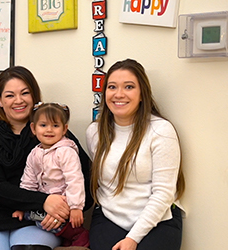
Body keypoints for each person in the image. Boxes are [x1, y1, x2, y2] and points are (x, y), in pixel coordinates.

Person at [0, 66, 93, 250]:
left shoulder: (55, 135)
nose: (18, 100)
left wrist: (62, 210)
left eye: (25, 93)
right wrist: (44, 201)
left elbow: (86, 178)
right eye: (10, 95)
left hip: (41, 218)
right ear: (0, 100)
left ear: (34, 96)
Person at [86, 59, 185, 250]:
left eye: (129, 87)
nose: (119, 94)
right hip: (109, 217)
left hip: (157, 220)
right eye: (112, 87)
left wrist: (133, 238)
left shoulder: (160, 131)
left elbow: (164, 193)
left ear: (142, 94)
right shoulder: (94, 132)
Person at [11, 102, 89, 247]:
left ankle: (77, 234)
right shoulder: (34, 153)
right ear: (33, 129)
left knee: (62, 222)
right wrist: (21, 205)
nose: (49, 130)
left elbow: (75, 180)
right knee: (28, 216)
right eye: (43, 125)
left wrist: (76, 207)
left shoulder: (66, 151)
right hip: (43, 203)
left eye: (55, 125)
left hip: (64, 202)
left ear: (65, 129)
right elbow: (28, 181)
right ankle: (59, 233)